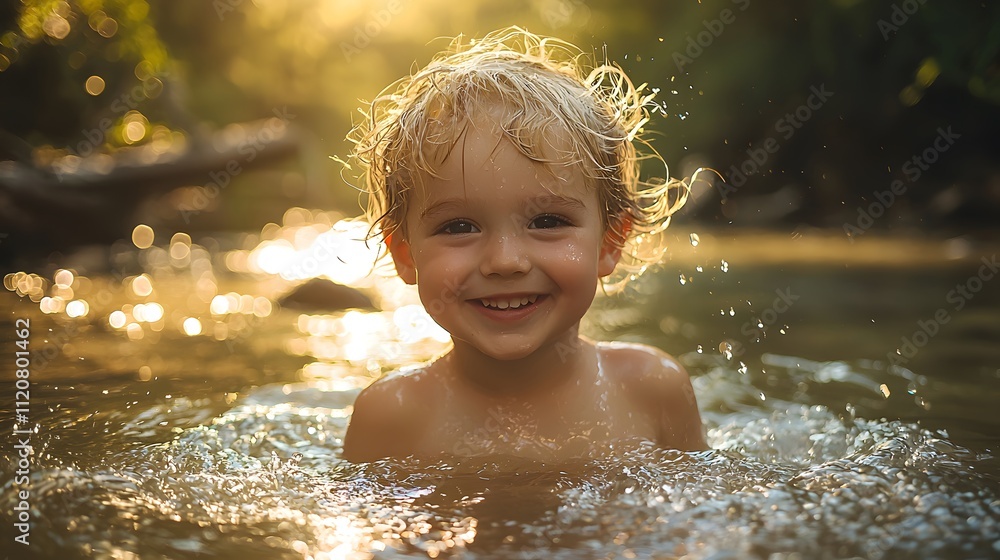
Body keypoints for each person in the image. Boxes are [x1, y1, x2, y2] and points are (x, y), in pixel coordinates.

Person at [342, 27, 708, 462]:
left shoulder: (651, 388)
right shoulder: (391, 415)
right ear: (405, 254)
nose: (505, 261)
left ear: (610, 242)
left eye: (548, 221)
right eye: (459, 227)